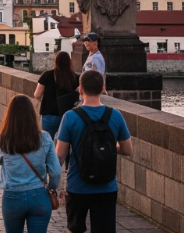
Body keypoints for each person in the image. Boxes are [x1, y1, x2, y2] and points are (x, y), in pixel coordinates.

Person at [56, 70, 132, 233]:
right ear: (102, 88)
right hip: (107, 186)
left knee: (75, 229)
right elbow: (127, 150)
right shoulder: (116, 115)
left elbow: (60, 155)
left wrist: (54, 185)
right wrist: (108, 148)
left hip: (77, 186)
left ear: (80, 90)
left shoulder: (70, 117)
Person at [0, 95, 61, 233]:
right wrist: (51, 187)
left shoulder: (2, 139)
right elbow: (56, 172)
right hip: (39, 195)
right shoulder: (45, 138)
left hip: (12, 196)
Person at [34, 51, 79, 140]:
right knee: (64, 142)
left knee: (47, 141)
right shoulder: (74, 77)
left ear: (56, 61)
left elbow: (37, 94)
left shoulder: (47, 75)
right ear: (69, 61)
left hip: (49, 114)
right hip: (66, 115)